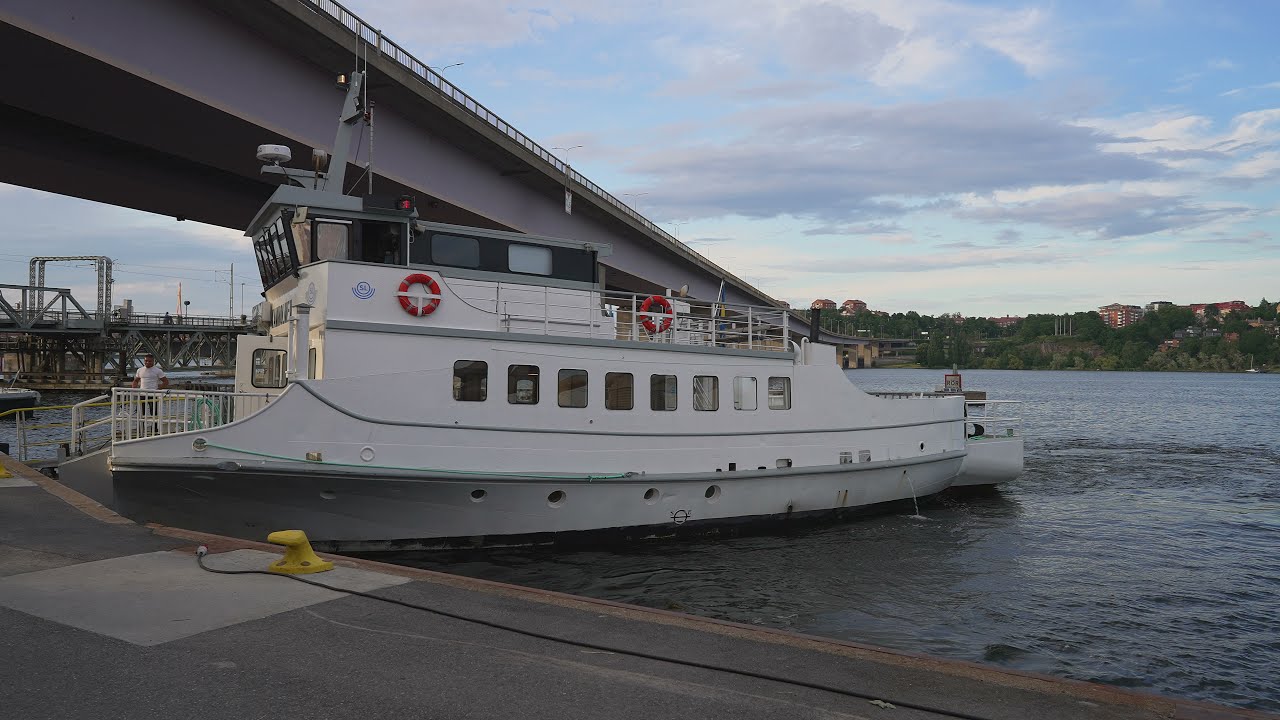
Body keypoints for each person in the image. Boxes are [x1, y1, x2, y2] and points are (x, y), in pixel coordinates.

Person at [131, 353, 169, 435]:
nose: (147, 363)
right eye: (146, 361)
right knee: (141, 412)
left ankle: (154, 429)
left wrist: (158, 389)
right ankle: (141, 428)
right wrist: (134, 388)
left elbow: (166, 381)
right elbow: (136, 380)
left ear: (153, 361)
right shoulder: (140, 370)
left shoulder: (158, 371)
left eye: (149, 361)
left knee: (154, 413)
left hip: (153, 394)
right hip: (142, 394)